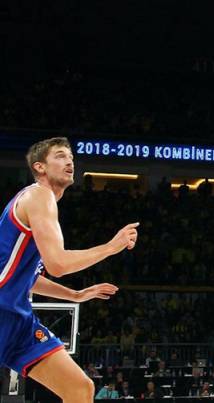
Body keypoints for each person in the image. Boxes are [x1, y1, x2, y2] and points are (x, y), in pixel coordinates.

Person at [2, 138, 136, 403]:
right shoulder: (39, 196)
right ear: (40, 167)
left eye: (71, 157)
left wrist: (75, 295)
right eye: (61, 156)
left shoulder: (42, 204)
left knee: (79, 389)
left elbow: (28, 278)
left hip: (17, 318)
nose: (69, 161)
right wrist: (111, 247)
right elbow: (58, 264)